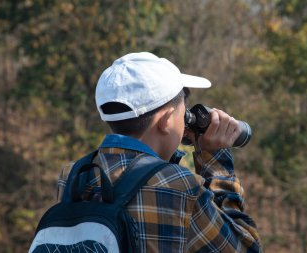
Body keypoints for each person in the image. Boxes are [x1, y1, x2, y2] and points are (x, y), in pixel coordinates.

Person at [58, 52, 262, 252]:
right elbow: (245, 247)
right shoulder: (180, 186)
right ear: (166, 121)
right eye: (185, 114)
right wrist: (215, 158)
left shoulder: (74, 175)